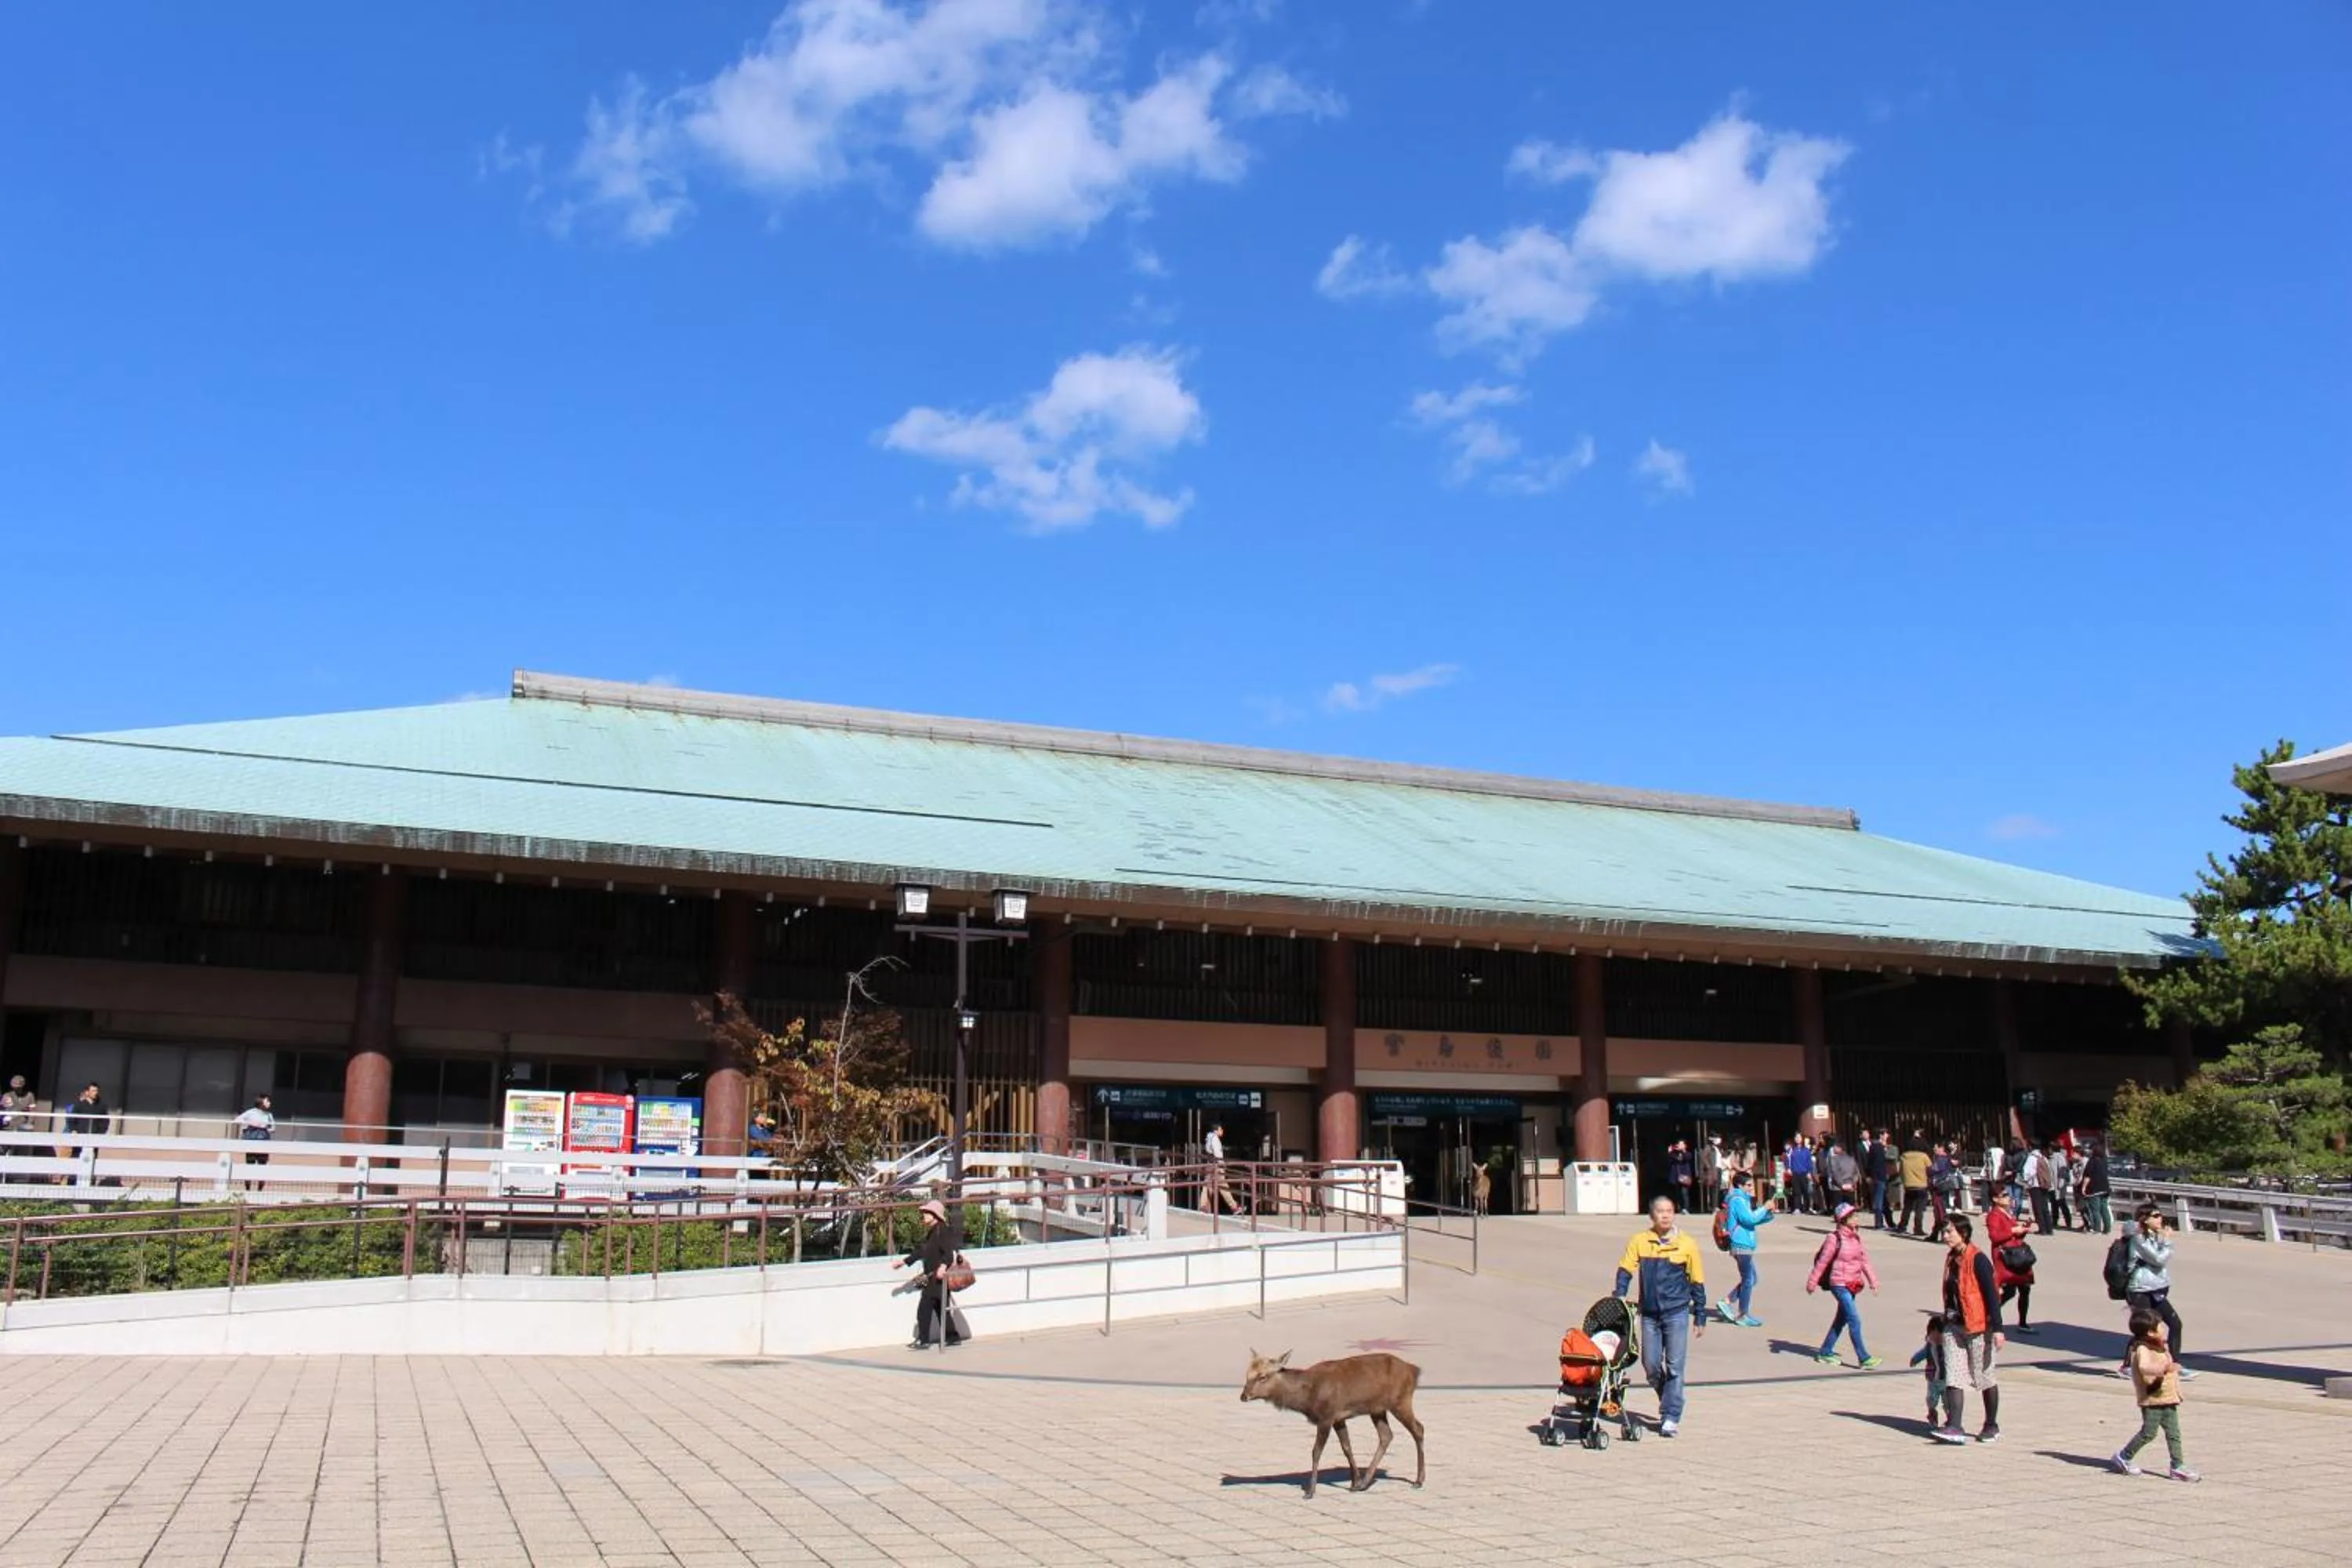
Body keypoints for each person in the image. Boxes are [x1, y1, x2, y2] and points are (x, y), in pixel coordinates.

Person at [1613, 1196, 1708, 1438]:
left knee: (1675, 1366)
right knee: (1651, 1365)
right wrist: (1620, 1296)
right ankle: (1669, 1398)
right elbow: (1625, 1269)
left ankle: (1671, 1416)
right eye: (1660, 1211)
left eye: (1669, 1210)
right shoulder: (1640, 1241)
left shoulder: (1687, 1244)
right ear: (1651, 1215)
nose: (1665, 1215)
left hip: (1676, 1313)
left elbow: (1697, 1280)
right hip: (1650, 1315)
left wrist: (1700, 1314)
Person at [1932, 1214, 2006, 1445]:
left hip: (1979, 1326)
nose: (1945, 1237)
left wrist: (1998, 1328)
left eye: (1949, 1232)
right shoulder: (1951, 1258)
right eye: (1944, 1232)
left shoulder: (1979, 1259)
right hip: (1954, 1326)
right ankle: (1955, 1426)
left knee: (1983, 1377)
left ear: (1963, 1233)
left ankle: (1991, 1425)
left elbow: (1992, 1295)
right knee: (1954, 1375)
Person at [2111, 1306, 2199, 1481]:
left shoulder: (2160, 1347)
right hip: (2152, 1399)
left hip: (2168, 1398)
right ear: (2150, 1332)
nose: (2163, 1328)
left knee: (2174, 1433)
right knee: (2148, 1433)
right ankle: (2124, 1456)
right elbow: (2145, 1368)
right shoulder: (2142, 1349)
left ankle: (2177, 1466)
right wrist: (2165, 1368)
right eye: (2160, 1326)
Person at [1806, 1201, 1881, 1367]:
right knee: (1854, 1319)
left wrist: (1873, 1280)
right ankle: (1864, 1358)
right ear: (1844, 1219)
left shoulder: (1856, 1237)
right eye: (1853, 1216)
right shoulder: (1834, 1239)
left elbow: (1864, 1260)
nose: (1857, 1218)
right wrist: (1812, 1281)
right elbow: (1823, 1262)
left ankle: (1825, 1352)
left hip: (1853, 1282)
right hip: (1839, 1283)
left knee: (1842, 1319)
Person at [2125, 1204, 2191, 1377]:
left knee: (2176, 1324)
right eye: (2155, 1216)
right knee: (2144, 1329)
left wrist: (2163, 1240)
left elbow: (2159, 1257)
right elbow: (2158, 1259)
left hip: (2156, 1289)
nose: (2160, 1219)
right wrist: (2168, 1241)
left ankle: (2175, 1364)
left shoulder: (2154, 1236)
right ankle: (2127, 1366)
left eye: (2160, 1215)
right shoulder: (2138, 1239)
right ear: (2145, 1219)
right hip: (2140, 1289)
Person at [891, 1199, 965, 1348]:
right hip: (934, 1278)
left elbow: (949, 1254)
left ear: (934, 1215)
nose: (923, 1215)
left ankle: (923, 1340)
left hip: (937, 1278)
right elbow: (922, 1251)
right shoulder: (933, 1232)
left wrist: (943, 1267)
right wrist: (904, 1262)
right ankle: (952, 1337)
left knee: (924, 1308)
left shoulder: (942, 1231)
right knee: (940, 1308)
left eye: (926, 1213)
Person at [1715, 1169, 1774, 1327]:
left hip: (1745, 1243)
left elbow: (1751, 1221)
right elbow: (1749, 1219)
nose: (1751, 1187)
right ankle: (1742, 1314)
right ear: (1739, 1185)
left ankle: (1727, 1301)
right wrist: (1764, 1208)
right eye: (1748, 1185)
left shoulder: (1743, 1200)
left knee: (1752, 1278)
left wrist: (1768, 1214)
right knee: (1748, 1279)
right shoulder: (1737, 1200)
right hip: (1740, 1244)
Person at [1985, 1187, 2038, 1334]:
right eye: (2004, 1195)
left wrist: (2023, 1229)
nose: (2008, 1197)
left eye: (2008, 1195)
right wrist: (2013, 1231)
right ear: (1995, 1199)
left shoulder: (2007, 1214)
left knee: (2024, 1289)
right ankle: (1990, 1315)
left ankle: (2022, 1322)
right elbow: (1995, 1237)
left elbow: (2015, 1236)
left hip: (2018, 1255)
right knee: (2009, 1291)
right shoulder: (1994, 1215)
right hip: (2007, 1257)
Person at [1910, 1314, 1950, 1425]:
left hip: (1947, 1379)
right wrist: (1915, 1359)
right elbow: (1922, 1353)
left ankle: (1951, 1419)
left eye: (1940, 1334)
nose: (1937, 1338)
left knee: (1948, 1401)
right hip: (1933, 1379)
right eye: (1934, 1334)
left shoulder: (1949, 1347)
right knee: (1931, 1399)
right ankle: (1932, 1413)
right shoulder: (1929, 1346)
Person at [1202, 1122, 1243, 1215]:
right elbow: (1217, 1154)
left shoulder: (1209, 1138)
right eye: (1220, 1129)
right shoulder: (1215, 1139)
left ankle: (1203, 1206)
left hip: (1210, 1165)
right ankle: (1234, 1207)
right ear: (1216, 1131)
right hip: (1216, 1166)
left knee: (1207, 1185)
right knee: (1223, 1186)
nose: (1222, 1131)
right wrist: (1222, 1164)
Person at [1898, 1130, 1933, 1238]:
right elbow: (1930, 1170)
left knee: (1907, 1208)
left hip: (1909, 1185)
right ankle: (1918, 1228)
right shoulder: (1923, 1156)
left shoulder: (1904, 1156)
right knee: (1919, 1209)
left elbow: (1901, 1171)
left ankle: (1902, 1226)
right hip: (1921, 1185)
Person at [233, 1094, 275, 1175]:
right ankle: (248, 1186)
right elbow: (237, 1120)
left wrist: (265, 1128)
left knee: (262, 1165)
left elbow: (273, 1128)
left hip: (264, 1142)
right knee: (250, 1164)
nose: (269, 1103)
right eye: (267, 1101)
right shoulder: (251, 1112)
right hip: (251, 1141)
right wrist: (251, 1124)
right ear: (261, 1102)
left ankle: (260, 1186)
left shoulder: (269, 1115)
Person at [2079, 1141, 2114, 1234]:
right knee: (2104, 1209)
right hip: (2105, 1187)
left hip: (2094, 1188)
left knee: (2095, 1210)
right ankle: (2107, 1229)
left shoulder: (2092, 1161)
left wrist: (2083, 1187)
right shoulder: (2104, 1160)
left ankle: (2097, 1229)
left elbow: (2087, 1176)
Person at [2025, 1143, 2058, 1236]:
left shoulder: (2031, 1158)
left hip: (2035, 1185)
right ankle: (2049, 1229)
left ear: (2030, 1147)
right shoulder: (2044, 1158)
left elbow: (2028, 1172)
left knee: (2037, 1208)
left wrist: (2026, 1182)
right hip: (2044, 1185)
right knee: (2045, 1207)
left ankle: (2042, 1229)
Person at [1867, 1129, 1897, 1230]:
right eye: (1885, 1134)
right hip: (1879, 1177)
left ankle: (1890, 1223)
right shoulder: (1878, 1147)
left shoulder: (1875, 1146)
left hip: (1880, 1177)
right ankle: (1879, 1223)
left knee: (1884, 1201)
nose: (1887, 1135)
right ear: (1881, 1135)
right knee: (1879, 1201)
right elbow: (1878, 1163)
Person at [1928, 1142, 1959, 1236]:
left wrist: (1928, 1169)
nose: (1934, 1149)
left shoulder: (1942, 1159)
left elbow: (1933, 1170)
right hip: (1941, 1185)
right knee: (1939, 1210)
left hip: (1940, 1186)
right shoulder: (1944, 1158)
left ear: (1941, 1148)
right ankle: (1936, 1232)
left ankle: (1944, 1232)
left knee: (1940, 1210)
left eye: (1935, 1147)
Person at [1823, 1139, 1860, 1215]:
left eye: (1835, 1147)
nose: (1833, 1149)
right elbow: (1856, 1173)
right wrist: (1852, 1183)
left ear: (1840, 1148)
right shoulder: (1851, 1159)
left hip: (1838, 1187)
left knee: (1839, 1210)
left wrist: (1842, 1185)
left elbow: (1835, 1173)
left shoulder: (1834, 1159)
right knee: (1849, 1210)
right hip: (1850, 1186)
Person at [1785, 1135, 1816, 1216]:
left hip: (1804, 1173)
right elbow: (1787, 1159)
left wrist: (1809, 1172)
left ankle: (1807, 1208)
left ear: (1802, 1139)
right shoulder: (1791, 1150)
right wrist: (1788, 1168)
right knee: (1796, 1191)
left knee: (1806, 1191)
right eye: (1796, 1138)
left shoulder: (1806, 1150)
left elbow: (1809, 1162)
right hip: (1795, 1172)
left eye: (1799, 1138)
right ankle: (1797, 1208)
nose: (1797, 1139)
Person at [1665, 1139, 1695, 1214]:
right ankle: (1679, 1207)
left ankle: (1686, 1208)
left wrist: (1683, 1151)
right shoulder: (1674, 1154)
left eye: (1682, 1144)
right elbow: (1670, 1160)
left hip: (1684, 1176)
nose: (1680, 1146)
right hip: (1676, 1176)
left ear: (1685, 1146)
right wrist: (1670, 1152)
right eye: (1679, 1144)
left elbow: (1687, 1158)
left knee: (1684, 1192)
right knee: (1677, 1193)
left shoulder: (1687, 1153)